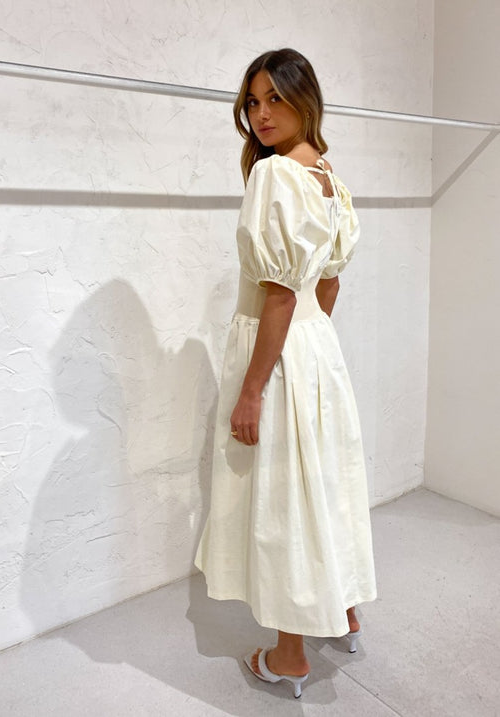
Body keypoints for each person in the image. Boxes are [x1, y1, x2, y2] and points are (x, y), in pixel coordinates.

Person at [195, 48, 377, 698]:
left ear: (305, 98)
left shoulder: (275, 175)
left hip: (276, 352)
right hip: (315, 349)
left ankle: (291, 652)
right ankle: (344, 609)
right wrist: (309, 342)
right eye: (252, 101)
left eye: (274, 97)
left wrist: (252, 389)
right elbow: (326, 285)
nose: (261, 113)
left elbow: (277, 292)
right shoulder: (327, 176)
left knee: (282, 497)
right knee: (323, 481)